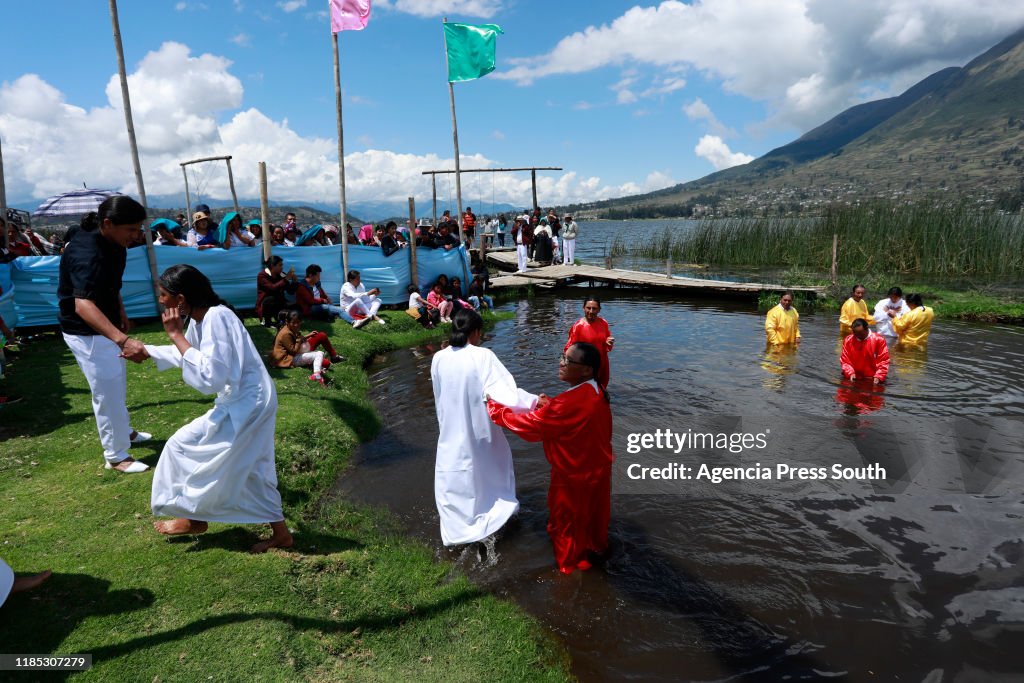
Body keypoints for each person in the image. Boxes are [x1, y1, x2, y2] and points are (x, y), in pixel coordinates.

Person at [142, 265, 292, 553]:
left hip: (250, 403)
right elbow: (189, 353)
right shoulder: (202, 320)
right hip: (241, 401)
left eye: (164, 295)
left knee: (183, 445)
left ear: (181, 299)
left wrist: (175, 335)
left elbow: (212, 376)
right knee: (250, 468)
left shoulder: (217, 317)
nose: (161, 301)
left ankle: (195, 516)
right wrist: (147, 349)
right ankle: (202, 517)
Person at [488, 341, 613, 575]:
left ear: (586, 369)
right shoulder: (597, 390)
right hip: (599, 470)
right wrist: (551, 404)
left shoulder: (569, 403)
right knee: (593, 519)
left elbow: (532, 427)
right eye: (563, 357)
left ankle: (567, 572)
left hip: (573, 476)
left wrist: (496, 410)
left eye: (568, 360)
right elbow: (572, 414)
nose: (561, 362)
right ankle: (593, 555)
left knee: (564, 525)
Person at [58, 196, 152, 473]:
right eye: (131, 230)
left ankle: (125, 432)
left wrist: (120, 311)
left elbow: (111, 286)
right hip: (85, 332)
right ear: (108, 224)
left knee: (116, 383)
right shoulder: (86, 253)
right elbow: (82, 304)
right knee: (106, 391)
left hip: (106, 324)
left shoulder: (115, 243)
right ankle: (116, 455)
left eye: (138, 229)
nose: (136, 236)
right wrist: (123, 340)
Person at [431, 308, 538, 547]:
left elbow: (439, 394)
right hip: (478, 427)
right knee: (489, 467)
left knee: (455, 472)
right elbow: (504, 393)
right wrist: (533, 401)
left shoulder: (439, 358)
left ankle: (457, 529)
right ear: (476, 332)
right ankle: (492, 517)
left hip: (451, 425)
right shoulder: (483, 356)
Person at [270, 309, 344, 385]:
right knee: (325, 362)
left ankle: (331, 359)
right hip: (289, 358)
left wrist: (308, 336)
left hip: (299, 351)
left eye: (298, 322)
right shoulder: (286, 333)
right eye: (294, 323)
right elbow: (293, 351)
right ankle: (316, 373)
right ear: (287, 322)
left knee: (321, 336)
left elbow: (295, 341)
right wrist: (299, 338)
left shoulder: (290, 328)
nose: (296, 325)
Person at [564, 297, 614, 389]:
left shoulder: (603, 323)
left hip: (602, 362)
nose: (591, 311)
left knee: (601, 389)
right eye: (588, 308)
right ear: (583, 308)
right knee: (586, 391)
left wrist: (608, 342)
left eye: (594, 308)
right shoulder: (578, 326)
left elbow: (607, 341)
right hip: (586, 366)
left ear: (599, 310)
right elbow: (569, 349)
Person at [840, 319, 889, 384]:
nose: (857, 335)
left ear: (867, 329)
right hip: (853, 377)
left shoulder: (879, 340)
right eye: (855, 333)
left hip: (872, 378)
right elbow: (845, 360)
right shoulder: (848, 340)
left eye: (860, 333)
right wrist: (849, 372)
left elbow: (883, 360)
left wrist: (879, 376)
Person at [256, 255, 298, 328]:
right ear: (273, 266)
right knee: (270, 299)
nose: (282, 267)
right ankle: (267, 321)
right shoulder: (262, 275)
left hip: (279, 302)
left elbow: (290, 291)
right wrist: (286, 279)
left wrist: (294, 282)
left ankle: (281, 319)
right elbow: (272, 288)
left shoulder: (281, 275)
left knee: (296, 306)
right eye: (280, 265)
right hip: (267, 304)